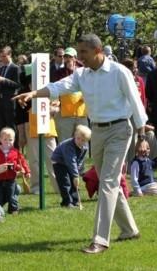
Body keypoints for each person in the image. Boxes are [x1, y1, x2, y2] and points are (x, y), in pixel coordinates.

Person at [14, 33, 147, 254]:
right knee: (110, 182)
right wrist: (35, 93)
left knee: (107, 182)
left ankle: (100, 240)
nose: (80, 57)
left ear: (98, 51)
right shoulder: (81, 74)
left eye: (83, 52)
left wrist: (142, 137)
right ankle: (129, 229)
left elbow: (136, 104)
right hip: (97, 131)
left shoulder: (119, 72)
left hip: (120, 130)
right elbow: (59, 87)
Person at [0, 127, 30, 214]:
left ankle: (13, 209)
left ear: (14, 140)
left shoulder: (15, 152)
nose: (8, 142)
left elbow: (22, 161)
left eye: (10, 140)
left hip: (11, 178)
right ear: (0, 139)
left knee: (12, 195)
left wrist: (27, 171)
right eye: (5, 139)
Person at [51, 124, 91, 208]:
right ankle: (67, 202)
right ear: (74, 136)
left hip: (69, 164)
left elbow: (79, 161)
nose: (80, 141)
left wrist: (77, 173)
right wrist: (75, 175)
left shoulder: (84, 148)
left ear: (86, 141)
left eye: (83, 140)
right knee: (65, 182)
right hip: (59, 163)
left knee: (74, 183)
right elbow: (71, 161)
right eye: (78, 138)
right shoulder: (69, 146)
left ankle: (75, 200)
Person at [53, 47, 87, 142]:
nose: (67, 59)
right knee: (64, 142)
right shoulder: (58, 73)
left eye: (70, 56)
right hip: (65, 113)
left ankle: (82, 158)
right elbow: (56, 89)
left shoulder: (83, 71)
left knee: (83, 140)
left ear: (75, 58)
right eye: (65, 56)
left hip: (81, 112)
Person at [0, 46, 21, 134]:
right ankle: (1, 147)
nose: (2, 59)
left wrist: (4, 80)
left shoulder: (15, 68)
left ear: (10, 55)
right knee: (1, 126)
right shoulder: (0, 69)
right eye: (1, 56)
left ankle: (14, 147)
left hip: (10, 101)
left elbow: (17, 84)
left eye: (4, 56)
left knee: (11, 126)